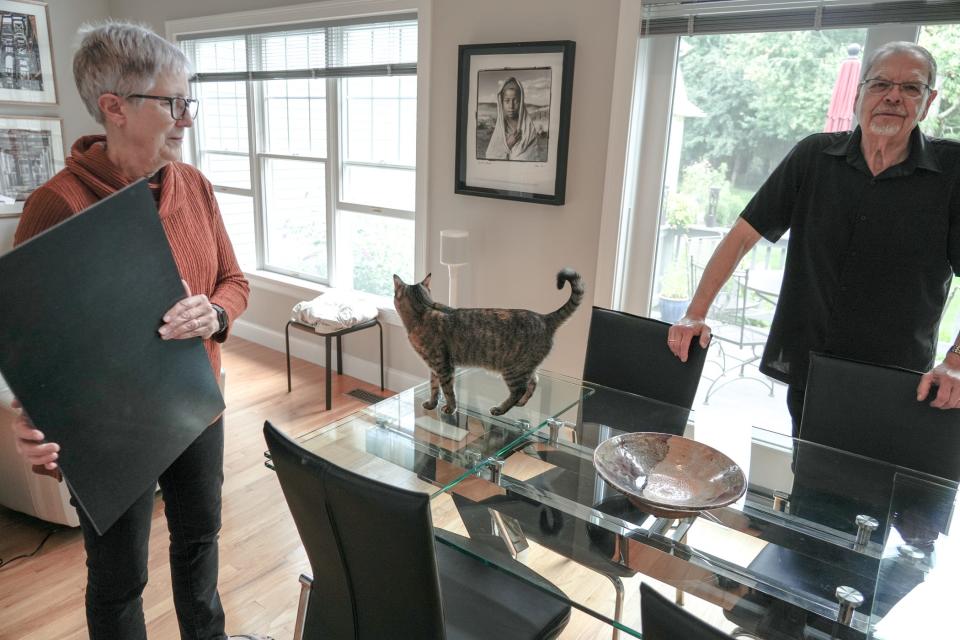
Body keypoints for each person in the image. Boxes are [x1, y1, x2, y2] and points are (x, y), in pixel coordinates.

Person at [7, 21, 268, 640]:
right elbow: (33, 347)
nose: (187, 118)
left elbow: (234, 280)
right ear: (114, 108)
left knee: (200, 541)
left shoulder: (195, 186)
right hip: (109, 428)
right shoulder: (57, 205)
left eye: (188, 100)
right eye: (173, 103)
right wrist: (31, 418)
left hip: (196, 402)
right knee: (120, 579)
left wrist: (217, 314)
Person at [667, 41, 960, 437]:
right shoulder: (814, 157)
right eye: (880, 84)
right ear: (859, 94)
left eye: (911, 88)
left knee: (885, 496)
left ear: (928, 102)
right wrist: (695, 312)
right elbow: (740, 236)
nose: (893, 96)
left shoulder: (952, 171)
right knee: (809, 487)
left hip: (901, 381)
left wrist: (956, 361)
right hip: (813, 372)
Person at [484, 76, 544, 161]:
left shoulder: (528, 130)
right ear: (501, 103)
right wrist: (508, 144)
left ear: (521, 102)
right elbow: (490, 157)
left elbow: (533, 160)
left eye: (515, 101)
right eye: (507, 101)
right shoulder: (501, 129)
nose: (511, 106)